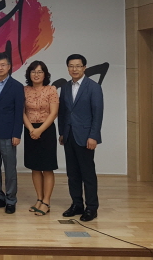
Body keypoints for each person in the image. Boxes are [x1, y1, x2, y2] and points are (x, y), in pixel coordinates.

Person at [59, 53, 104, 222]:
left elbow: (97, 114)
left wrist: (93, 136)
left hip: (85, 137)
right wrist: (62, 133)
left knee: (88, 174)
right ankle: (77, 204)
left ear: (84, 67)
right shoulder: (65, 87)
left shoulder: (93, 87)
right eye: (71, 66)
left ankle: (91, 207)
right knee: (72, 173)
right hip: (69, 135)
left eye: (78, 66)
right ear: (67, 68)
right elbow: (63, 112)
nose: (74, 69)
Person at [0, 52, 24, 214]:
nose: (0, 68)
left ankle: (11, 199)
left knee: (10, 168)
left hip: (8, 133)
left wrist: (17, 134)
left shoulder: (17, 86)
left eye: (3, 65)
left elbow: (19, 112)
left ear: (9, 67)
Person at [22, 60, 59, 216]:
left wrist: (40, 130)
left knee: (47, 167)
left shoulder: (51, 89)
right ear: (29, 74)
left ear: (45, 74)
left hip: (47, 130)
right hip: (30, 130)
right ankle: (39, 198)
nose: (36, 75)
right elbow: (22, 112)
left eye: (40, 72)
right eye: (33, 72)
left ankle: (46, 201)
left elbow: (54, 113)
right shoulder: (24, 90)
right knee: (35, 167)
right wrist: (32, 129)